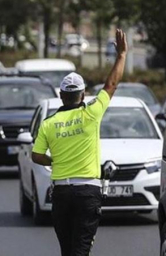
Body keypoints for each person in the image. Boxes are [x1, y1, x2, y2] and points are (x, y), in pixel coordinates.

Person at [31, 29, 127, 256]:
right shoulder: (92, 113)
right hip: (88, 193)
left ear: (62, 95)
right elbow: (111, 84)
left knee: (67, 250)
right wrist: (121, 56)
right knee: (81, 250)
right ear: (82, 95)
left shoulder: (49, 123)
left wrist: (54, 160)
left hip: (62, 194)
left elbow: (36, 155)